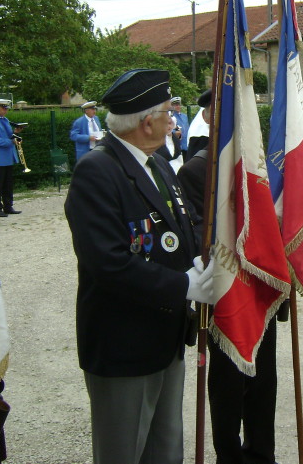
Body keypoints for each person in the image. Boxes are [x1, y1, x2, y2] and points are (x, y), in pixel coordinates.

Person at [64, 68, 215, 464]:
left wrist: (200, 256)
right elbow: (108, 263)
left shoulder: (159, 163)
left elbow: (186, 223)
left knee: (165, 450)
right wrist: (182, 286)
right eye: (169, 112)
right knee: (124, 452)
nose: (174, 120)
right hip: (124, 343)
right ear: (147, 122)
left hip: (166, 336)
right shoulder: (97, 171)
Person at [177, 88, 280, 463]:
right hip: (227, 291)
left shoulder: (258, 160)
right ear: (208, 117)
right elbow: (199, 234)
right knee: (228, 384)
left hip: (261, 287)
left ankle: (262, 452)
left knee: (264, 380)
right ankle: (229, 454)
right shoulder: (196, 170)